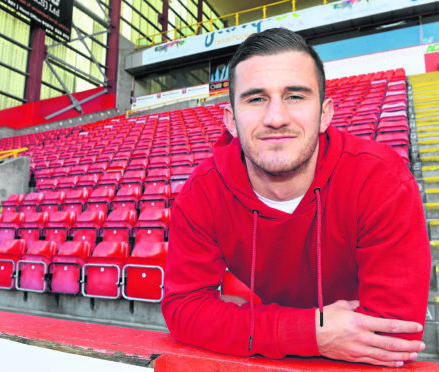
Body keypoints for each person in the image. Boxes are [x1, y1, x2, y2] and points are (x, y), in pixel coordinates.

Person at [161, 27, 431, 367]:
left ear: (325, 114)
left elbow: (391, 338)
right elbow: (184, 307)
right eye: (256, 99)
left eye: (296, 96)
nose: (276, 119)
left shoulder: (380, 180)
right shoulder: (202, 190)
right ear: (230, 120)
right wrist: (308, 332)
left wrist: (245, 324)